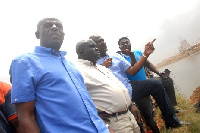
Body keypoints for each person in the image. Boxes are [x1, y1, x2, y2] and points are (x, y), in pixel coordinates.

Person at [9, 18, 109, 133]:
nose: (54, 27)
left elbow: (86, 103)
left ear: (63, 34)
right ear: (37, 35)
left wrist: (106, 127)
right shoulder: (25, 62)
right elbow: (26, 117)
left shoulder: (70, 65)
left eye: (59, 26)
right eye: (48, 25)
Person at [89, 34, 184, 131]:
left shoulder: (116, 56)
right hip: (117, 98)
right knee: (140, 124)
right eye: (98, 42)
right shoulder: (93, 65)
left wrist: (145, 54)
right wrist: (103, 68)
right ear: (92, 47)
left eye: (102, 40)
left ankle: (171, 121)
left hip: (130, 89)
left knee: (156, 84)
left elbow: (132, 70)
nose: (102, 43)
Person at [75, 39, 141, 133]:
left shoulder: (102, 67)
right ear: (82, 51)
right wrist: (94, 116)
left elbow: (119, 87)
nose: (97, 49)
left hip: (129, 115)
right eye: (92, 46)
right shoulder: (78, 71)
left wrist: (131, 104)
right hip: (114, 122)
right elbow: (77, 100)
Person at [118, 37, 179, 112]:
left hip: (147, 81)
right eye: (122, 44)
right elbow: (133, 69)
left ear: (130, 43)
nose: (125, 44)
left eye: (127, 42)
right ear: (119, 47)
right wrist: (131, 56)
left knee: (167, 81)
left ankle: (172, 108)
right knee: (148, 112)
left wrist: (159, 73)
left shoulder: (138, 52)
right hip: (137, 88)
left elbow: (148, 64)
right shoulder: (120, 59)